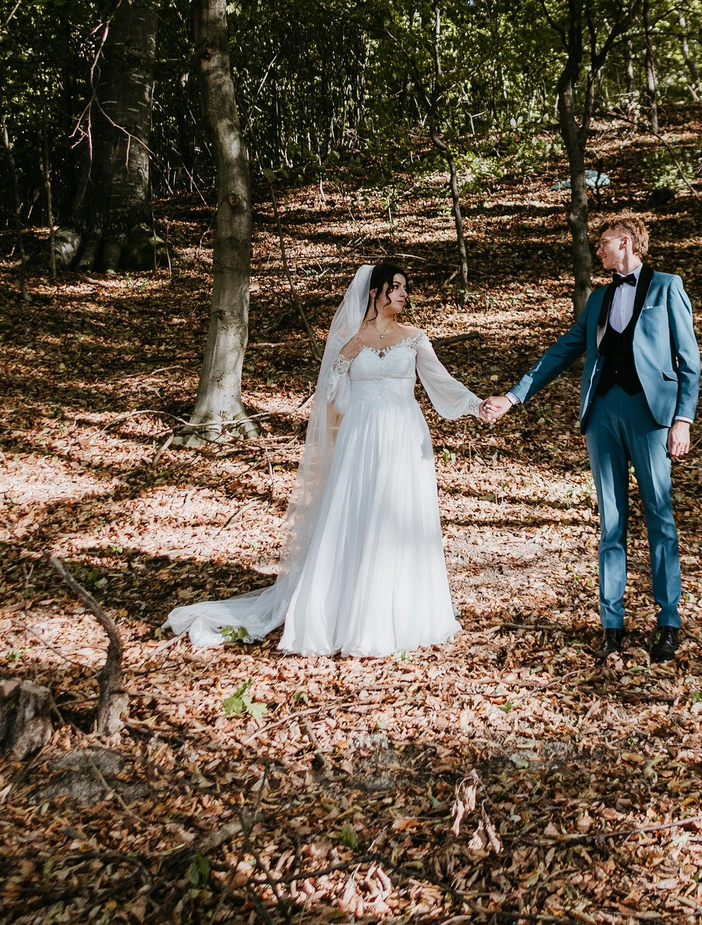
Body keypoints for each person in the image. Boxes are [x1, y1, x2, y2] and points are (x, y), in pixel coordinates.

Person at [166, 260, 482, 657]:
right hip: (360, 436)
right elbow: (331, 395)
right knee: (357, 514)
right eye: (396, 286)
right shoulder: (351, 338)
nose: (403, 294)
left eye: (404, 288)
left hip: (404, 435)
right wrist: (345, 357)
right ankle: (345, 611)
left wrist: (475, 405)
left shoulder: (415, 337)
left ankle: (398, 613)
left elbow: (442, 382)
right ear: (374, 291)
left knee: (398, 513)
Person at [480, 213, 700, 663]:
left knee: (659, 514)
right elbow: (562, 350)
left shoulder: (666, 286)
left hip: (650, 415)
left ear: (625, 243)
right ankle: (612, 625)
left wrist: (684, 419)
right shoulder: (598, 298)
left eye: (603, 243)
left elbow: (688, 360)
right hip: (602, 415)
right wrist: (512, 396)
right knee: (611, 522)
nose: (597, 250)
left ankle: (668, 621)